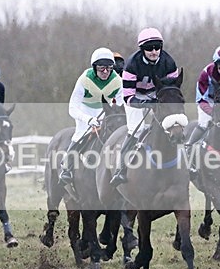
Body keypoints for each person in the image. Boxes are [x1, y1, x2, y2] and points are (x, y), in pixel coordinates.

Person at [110, 27, 180, 186]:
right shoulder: (131, 64)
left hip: (158, 94)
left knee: (174, 125)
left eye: (157, 47)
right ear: (142, 49)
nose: (154, 51)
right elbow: (128, 97)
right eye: (149, 48)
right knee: (136, 130)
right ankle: (121, 169)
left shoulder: (169, 62)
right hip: (135, 96)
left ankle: (185, 164)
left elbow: (173, 91)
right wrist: (146, 103)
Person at [58, 47, 122, 187]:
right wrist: (88, 119)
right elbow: (72, 108)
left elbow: (120, 104)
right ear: (94, 67)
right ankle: (66, 168)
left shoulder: (118, 81)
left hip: (107, 114)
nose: (105, 72)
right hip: (85, 113)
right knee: (81, 135)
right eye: (101, 68)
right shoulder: (84, 79)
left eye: (109, 68)